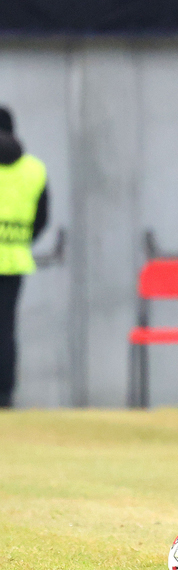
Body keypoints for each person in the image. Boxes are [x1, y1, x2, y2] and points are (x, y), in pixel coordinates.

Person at [0, 106, 49, 408]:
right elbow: (42, 217)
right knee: (5, 330)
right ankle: (4, 394)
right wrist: (20, 239)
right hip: (15, 258)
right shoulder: (33, 169)